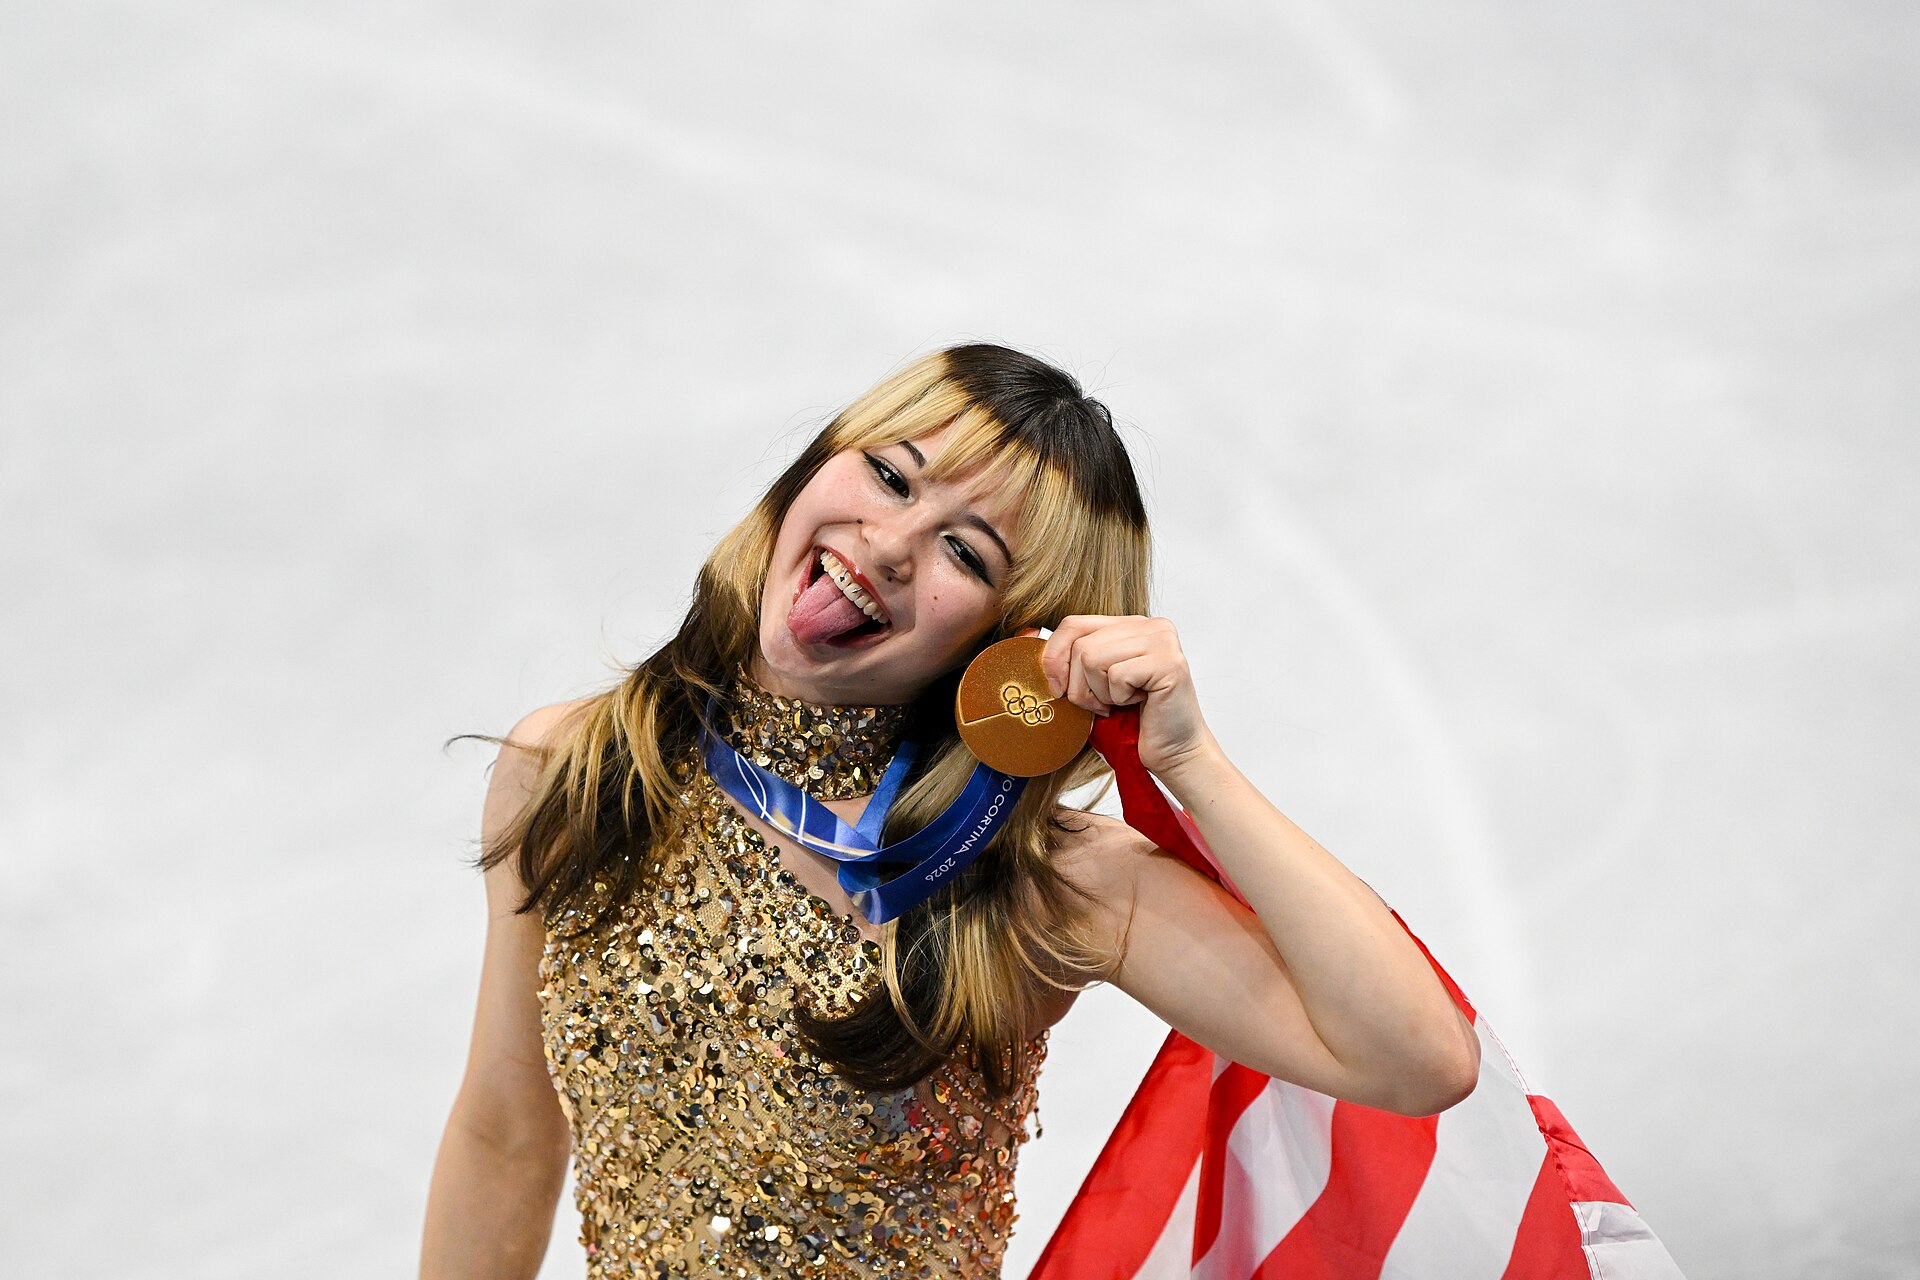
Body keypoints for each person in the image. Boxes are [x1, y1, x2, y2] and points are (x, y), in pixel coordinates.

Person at [419, 343, 1480, 1279]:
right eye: (888, 474)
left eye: (966, 552)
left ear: (1013, 642)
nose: (887, 543)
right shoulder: (579, 764)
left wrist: (1192, 763)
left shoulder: (1038, 884)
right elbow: (507, 1132)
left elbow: (1418, 1057)